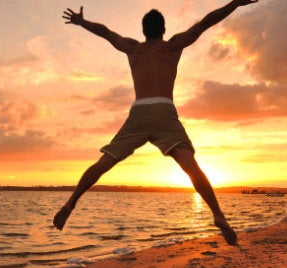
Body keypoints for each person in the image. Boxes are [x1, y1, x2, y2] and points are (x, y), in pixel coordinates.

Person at [53, 0, 258, 245]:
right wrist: (234, 3)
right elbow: (205, 22)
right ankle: (218, 215)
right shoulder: (172, 46)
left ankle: (70, 202)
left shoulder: (133, 48)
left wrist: (81, 22)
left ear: (143, 30)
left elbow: (106, 32)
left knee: (104, 162)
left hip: (139, 112)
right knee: (191, 167)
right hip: (164, 111)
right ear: (163, 29)